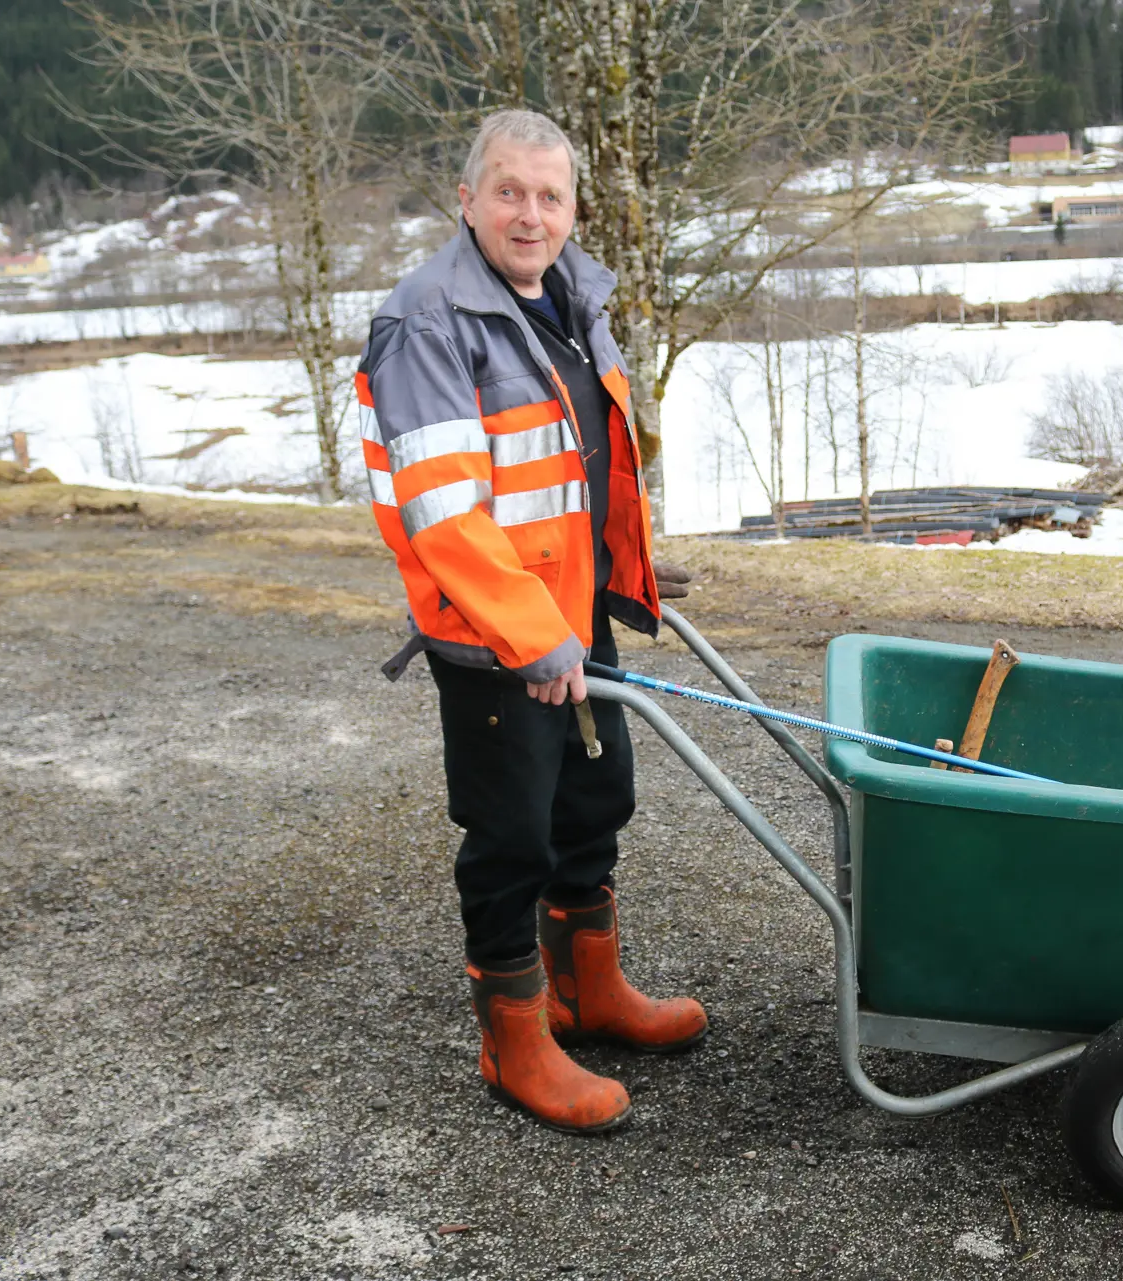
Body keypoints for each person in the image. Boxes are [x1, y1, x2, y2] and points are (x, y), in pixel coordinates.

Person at [356, 109, 702, 1134]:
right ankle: (514, 1045)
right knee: (511, 833)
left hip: (572, 606)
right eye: (509, 191)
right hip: (496, 632)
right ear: (467, 200)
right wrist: (527, 630)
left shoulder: (569, 295)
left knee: (594, 798)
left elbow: (577, 462)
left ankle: (587, 992)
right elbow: (443, 511)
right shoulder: (428, 321)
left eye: (550, 195)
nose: (531, 213)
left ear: (572, 208)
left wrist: (620, 565)